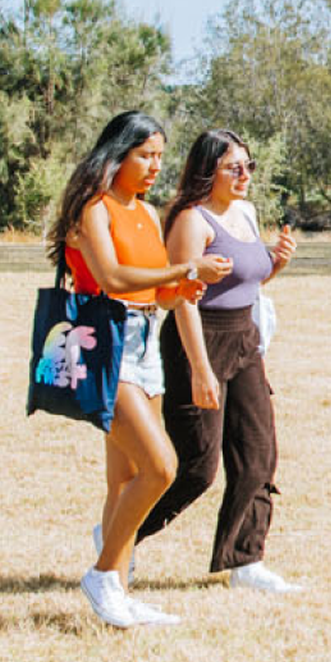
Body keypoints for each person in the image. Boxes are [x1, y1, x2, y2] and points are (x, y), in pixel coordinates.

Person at [49, 110, 233, 628]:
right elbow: (110, 276)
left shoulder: (148, 214)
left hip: (146, 338)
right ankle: (104, 571)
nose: (155, 166)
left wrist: (181, 290)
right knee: (161, 466)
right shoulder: (93, 207)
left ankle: (120, 596)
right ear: (117, 154)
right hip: (105, 343)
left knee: (125, 476)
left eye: (159, 156)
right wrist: (184, 268)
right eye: (144, 155)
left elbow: (154, 290)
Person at [138, 129, 301, 593]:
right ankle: (122, 539)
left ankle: (245, 560)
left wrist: (278, 263)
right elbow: (182, 299)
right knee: (198, 467)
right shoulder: (192, 220)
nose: (245, 175)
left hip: (243, 340)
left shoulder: (245, 213)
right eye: (235, 167)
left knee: (257, 455)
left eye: (249, 166)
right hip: (198, 341)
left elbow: (250, 280)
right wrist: (201, 369)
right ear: (208, 169)